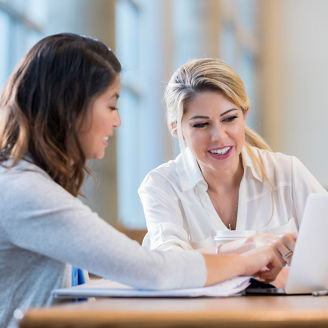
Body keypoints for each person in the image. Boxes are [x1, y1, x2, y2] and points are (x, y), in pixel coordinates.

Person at [0, 34, 285, 328]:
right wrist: (249, 260)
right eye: (111, 105)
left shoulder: (27, 183)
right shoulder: (24, 191)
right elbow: (154, 271)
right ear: (72, 106)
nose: (117, 121)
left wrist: (244, 250)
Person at [139, 58, 326, 257]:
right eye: (201, 124)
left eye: (229, 119)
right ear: (177, 129)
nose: (219, 136)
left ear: (245, 115)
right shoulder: (161, 186)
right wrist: (247, 248)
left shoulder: (287, 173)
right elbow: (168, 264)